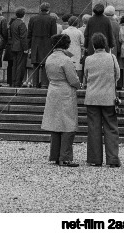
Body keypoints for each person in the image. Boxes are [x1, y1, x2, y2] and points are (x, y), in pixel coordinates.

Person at [41, 33, 81, 167]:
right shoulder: (66, 60)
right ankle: (65, 157)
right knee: (68, 124)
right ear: (66, 45)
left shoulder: (49, 58)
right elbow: (73, 79)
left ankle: (55, 155)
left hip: (53, 90)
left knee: (56, 124)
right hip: (65, 91)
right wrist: (78, 84)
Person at [84, 32, 121, 168]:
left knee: (93, 128)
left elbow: (86, 76)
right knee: (111, 127)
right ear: (105, 44)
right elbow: (117, 75)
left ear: (94, 46)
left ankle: (95, 158)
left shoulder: (89, 59)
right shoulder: (112, 58)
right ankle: (113, 158)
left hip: (92, 97)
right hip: (108, 97)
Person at [28, 2, 58, 88]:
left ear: (40, 9)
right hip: (47, 44)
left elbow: (29, 34)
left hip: (35, 43)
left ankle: (35, 83)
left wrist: (29, 46)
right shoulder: (52, 19)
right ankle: (44, 84)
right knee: (45, 63)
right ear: (48, 9)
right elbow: (54, 34)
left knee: (35, 64)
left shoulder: (33, 18)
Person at [10, 7, 29, 88]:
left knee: (15, 65)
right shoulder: (22, 24)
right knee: (20, 65)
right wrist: (26, 48)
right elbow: (23, 37)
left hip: (13, 46)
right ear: (23, 15)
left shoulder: (13, 23)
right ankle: (18, 82)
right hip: (20, 47)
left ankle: (14, 81)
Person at [65, 16, 85, 83]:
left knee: (67, 68)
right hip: (77, 51)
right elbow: (83, 43)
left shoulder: (64, 31)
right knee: (78, 68)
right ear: (77, 23)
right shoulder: (79, 32)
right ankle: (79, 85)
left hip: (67, 51)